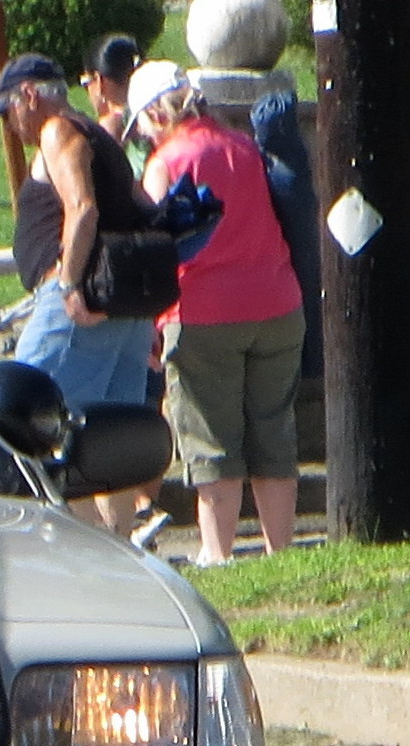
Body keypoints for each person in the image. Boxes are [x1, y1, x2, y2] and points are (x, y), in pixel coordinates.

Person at [129, 60, 305, 567]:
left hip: (203, 312)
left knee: (212, 438)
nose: (140, 134)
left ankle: (217, 551)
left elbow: (161, 248)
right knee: (273, 431)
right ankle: (281, 553)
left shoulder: (166, 163)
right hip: (276, 302)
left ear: (157, 115)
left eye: (141, 123)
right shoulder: (243, 146)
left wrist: (152, 324)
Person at [0, 54, 158, 484]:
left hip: (75, 309)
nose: (8, 124)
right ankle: (116, 538)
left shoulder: (58, 131)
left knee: (14, 421)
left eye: (8, 111)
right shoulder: (102, 135)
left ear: (28, 95)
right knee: (108, 447)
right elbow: (147, 207)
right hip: (122, 311)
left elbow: (82, 209)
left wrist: (69, 286)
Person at [73, 32, 169, 547]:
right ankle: (139, 511)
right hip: (153, 285)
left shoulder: (99, 140)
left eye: (87, 80)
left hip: (113, 287)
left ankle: (123, 521)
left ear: (101, 84)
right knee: (138, 406)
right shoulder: (153, 134)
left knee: (92, 415)